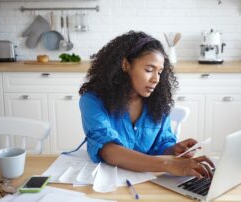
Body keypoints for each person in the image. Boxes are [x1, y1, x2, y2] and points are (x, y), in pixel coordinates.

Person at [79, 31, 214, 178]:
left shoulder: (158, 103)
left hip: (149, 182)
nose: (156, 79)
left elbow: (161, 145)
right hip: (108, 182)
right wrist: (168, 164)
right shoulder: (93, 100)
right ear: (125, 65)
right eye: (149, 70)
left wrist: (173, 150)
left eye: (160, 72)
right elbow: (108, 151)